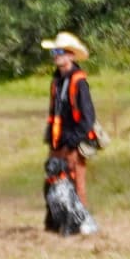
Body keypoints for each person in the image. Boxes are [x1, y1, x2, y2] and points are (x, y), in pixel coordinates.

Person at [41, 31, 98, 208]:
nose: (56, 56)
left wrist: (73, 143)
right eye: (54, 52)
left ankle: (82, 225)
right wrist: (52, 139)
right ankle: (62, 224)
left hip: (73, 144)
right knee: (54, 185)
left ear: (71, 55)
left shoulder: (79, 82)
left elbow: (88, 118)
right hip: (57, 143)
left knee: (76, 186)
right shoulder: (56, 81)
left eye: (60, 52)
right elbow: (54, 112)